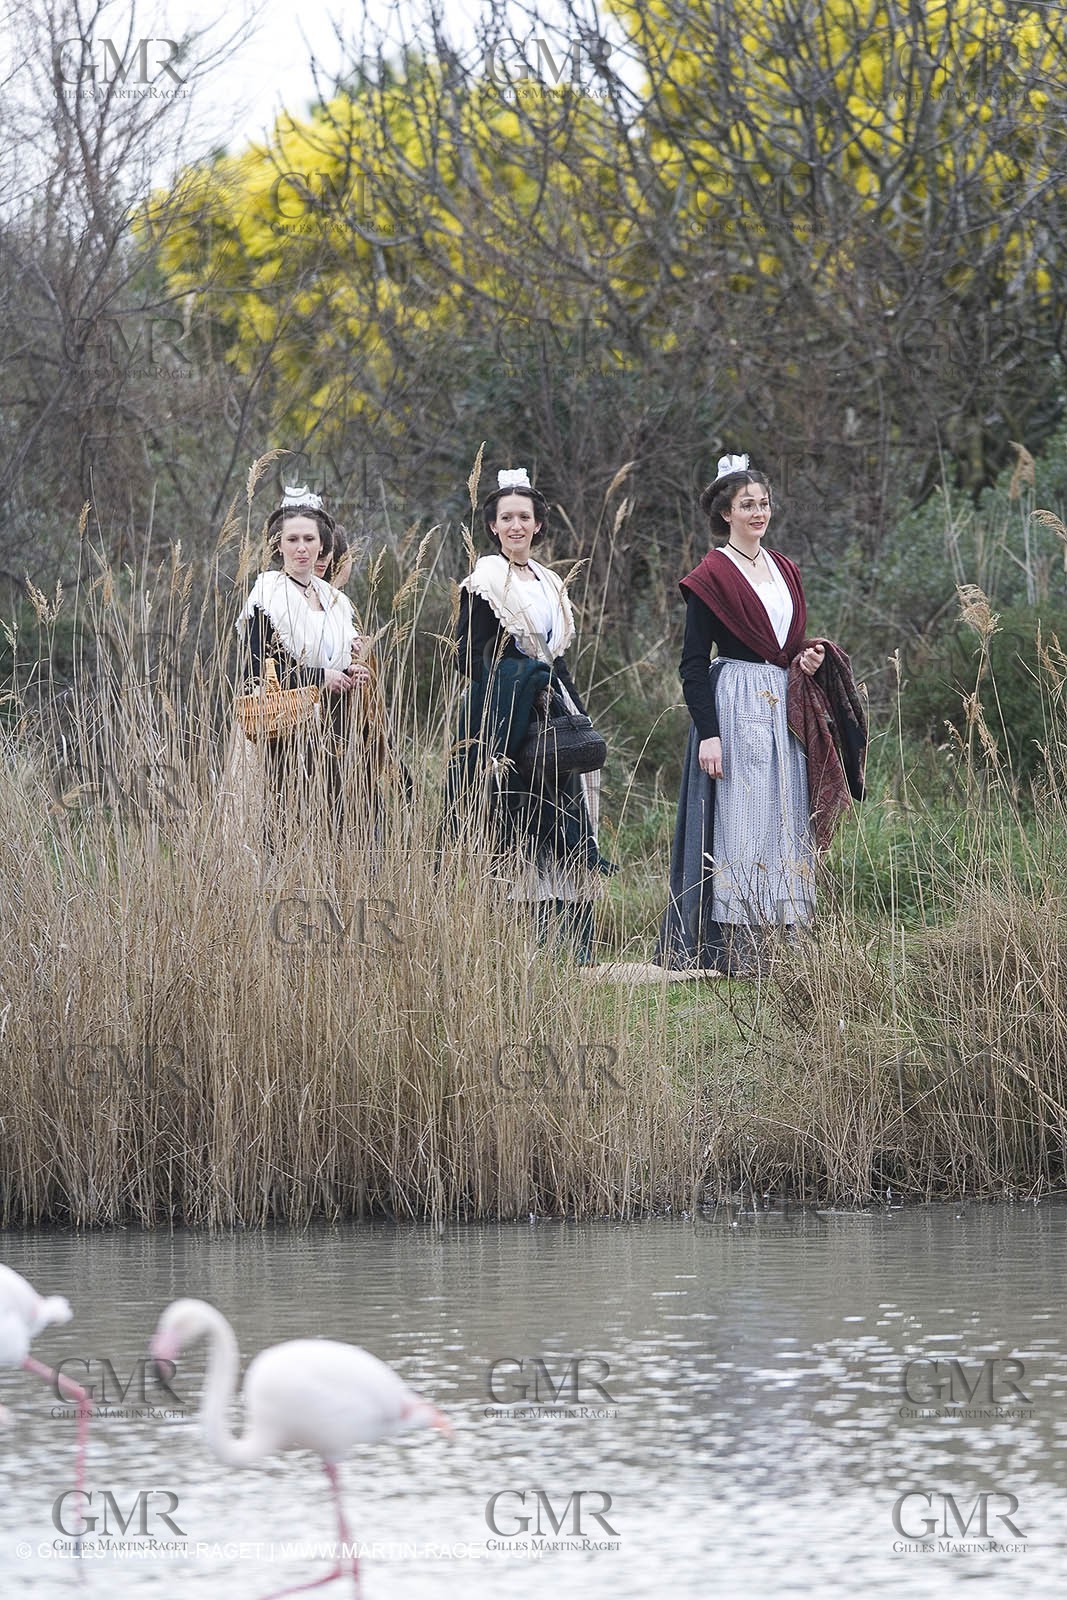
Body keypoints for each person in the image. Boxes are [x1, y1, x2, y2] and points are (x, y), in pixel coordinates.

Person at [657, 452, 865, 975]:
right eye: (746, 504)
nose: (757, 512)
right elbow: (692, 663)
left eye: (763, 503)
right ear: (725, 512)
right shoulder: (711, 574)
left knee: (788, 811)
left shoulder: (784, 569)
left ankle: (788, 939)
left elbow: (784, 644)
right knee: (744, 816)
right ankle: (741, 945)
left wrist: (806, 657)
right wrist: (709, 733)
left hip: (784, 699)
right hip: (736, 701)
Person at [448, 467, 613, 960]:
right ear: (493, 526)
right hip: (508, 711)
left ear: (539, 524)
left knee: (568, 805)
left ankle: (573, 941)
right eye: (506, 518)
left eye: (524, 516)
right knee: (518, 811)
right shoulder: (484, 580)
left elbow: (558, 655)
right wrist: (524, 679)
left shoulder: (548, 581)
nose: (516, 525)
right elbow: (468, 655)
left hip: (551, 698)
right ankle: (521, 944)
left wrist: (570, 705)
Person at [236, 484, 372, 856]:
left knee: (338, 814)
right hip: (290, 722)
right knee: (288, 814)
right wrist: (318, 677)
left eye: (308, 539)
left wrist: (353, 669)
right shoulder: (267, 595)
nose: (300, 547)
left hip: (338, 721)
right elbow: (255, 669)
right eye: (291, 539)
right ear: (277, 545)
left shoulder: (335, 601)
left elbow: (340, 658)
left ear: (321, 545)